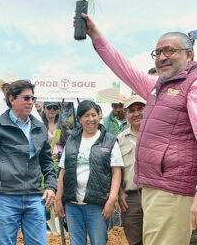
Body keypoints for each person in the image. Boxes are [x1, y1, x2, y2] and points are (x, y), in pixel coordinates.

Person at [80, 14, 197, 244]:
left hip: (176, 192)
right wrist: (96, 35)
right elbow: (124, 69)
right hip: (155, 189)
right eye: (157, 53)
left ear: (189, 54)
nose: (161, 57)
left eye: (169, 51)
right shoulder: (157, 88)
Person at [0, 80, 57, 245]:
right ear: (12, 99)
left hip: (35, 197)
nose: (31, 102)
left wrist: (50, 186)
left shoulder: (39, 128)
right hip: (5, 197)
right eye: (26, 98)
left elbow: (47, 162)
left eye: (33, 98)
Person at [56, 100, 123, 245]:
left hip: (97, 205)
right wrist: (58, 200)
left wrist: (111, 201)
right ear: (79, 119)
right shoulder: (72, 140)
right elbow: (62, 172)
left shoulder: (109, 141)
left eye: (94, 114)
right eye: (86, 115)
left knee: (98, 242)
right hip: (72, 204)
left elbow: (116, 173)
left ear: (100, 116)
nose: (91, 119)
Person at [117, 95, 146, 245]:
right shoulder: (119, 140)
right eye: (131, 110)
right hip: (131, 199)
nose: (136, 114)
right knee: (135, 241)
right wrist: (119, 192)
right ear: (126, 114)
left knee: (159, 239)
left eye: (140, 109)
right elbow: (114, 171)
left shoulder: (158, 135)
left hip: (156, 195)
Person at [42, 102, 63, 173]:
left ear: (58, 111)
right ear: (44, 109)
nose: (52, 110)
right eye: (49, 108)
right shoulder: (40, 125)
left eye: (55, 108)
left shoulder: (63, 125)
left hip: (61, 159)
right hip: (45, 159)